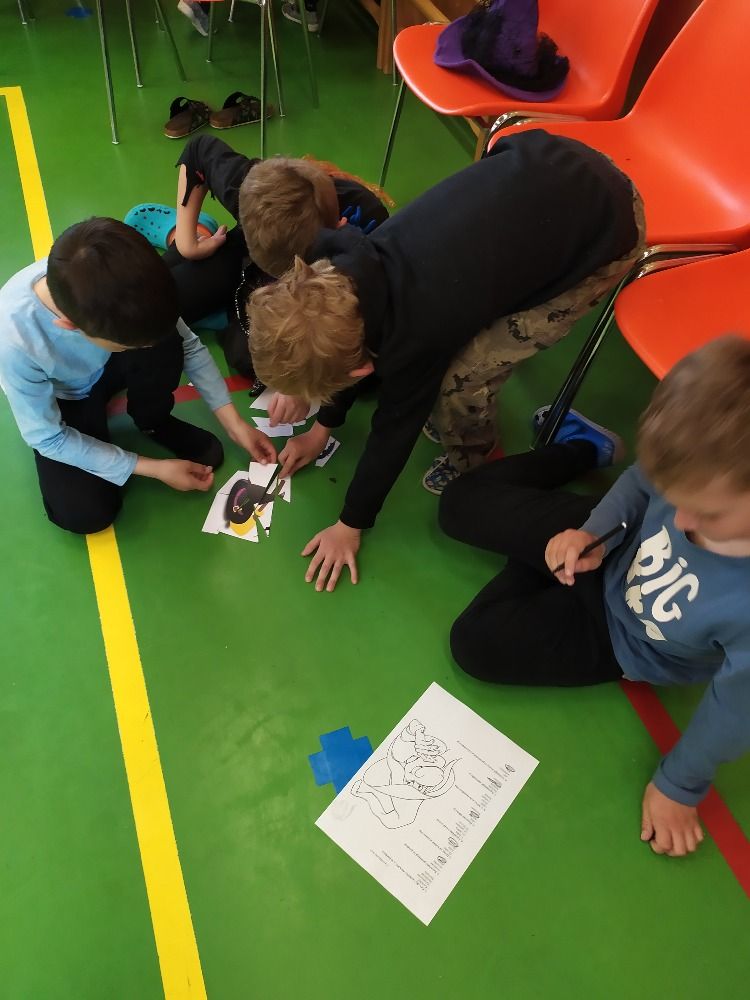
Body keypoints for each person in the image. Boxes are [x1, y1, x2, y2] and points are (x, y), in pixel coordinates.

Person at [246, 129, 646, 591]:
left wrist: (351, 523)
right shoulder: (339, 263)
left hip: (607, 229)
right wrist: (321, 431)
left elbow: (393, 432)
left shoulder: (415, 333)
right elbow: (344, 350)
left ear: (363, 370)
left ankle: (473, 458)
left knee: (462, 382)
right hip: (553, 162)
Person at [439, 335, 750, 858]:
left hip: (622, 639)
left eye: (708, 514)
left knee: (474, 644)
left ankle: (538, 554)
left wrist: (680, 786)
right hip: (605, 541)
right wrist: (591, 533)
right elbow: (640, 485)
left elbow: (733, 712)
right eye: (676, 498)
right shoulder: (701, 474)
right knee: (458, 503)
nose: (682, 521)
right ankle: (583, 447)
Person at [0, 218, 276, 535]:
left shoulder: (129, 281)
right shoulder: (14, 340)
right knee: (85, 513)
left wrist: (235, 424)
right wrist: (152, 468)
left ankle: (152, 420)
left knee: (166, 339)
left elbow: (186, 344)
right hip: (68, 397)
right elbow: (48, 437)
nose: (145, 348)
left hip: (110, 362)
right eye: (129, 344)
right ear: (70, 327)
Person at [162, 136, 390, 423]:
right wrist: (188, 245)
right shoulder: (258, 194)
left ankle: (224, 303)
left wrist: (299, 389)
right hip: (245, 260)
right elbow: (198, 150)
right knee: (158, 302)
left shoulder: (365, 239)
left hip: (315, 293)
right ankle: (188, 234)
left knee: (260, 359)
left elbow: (355, 336)